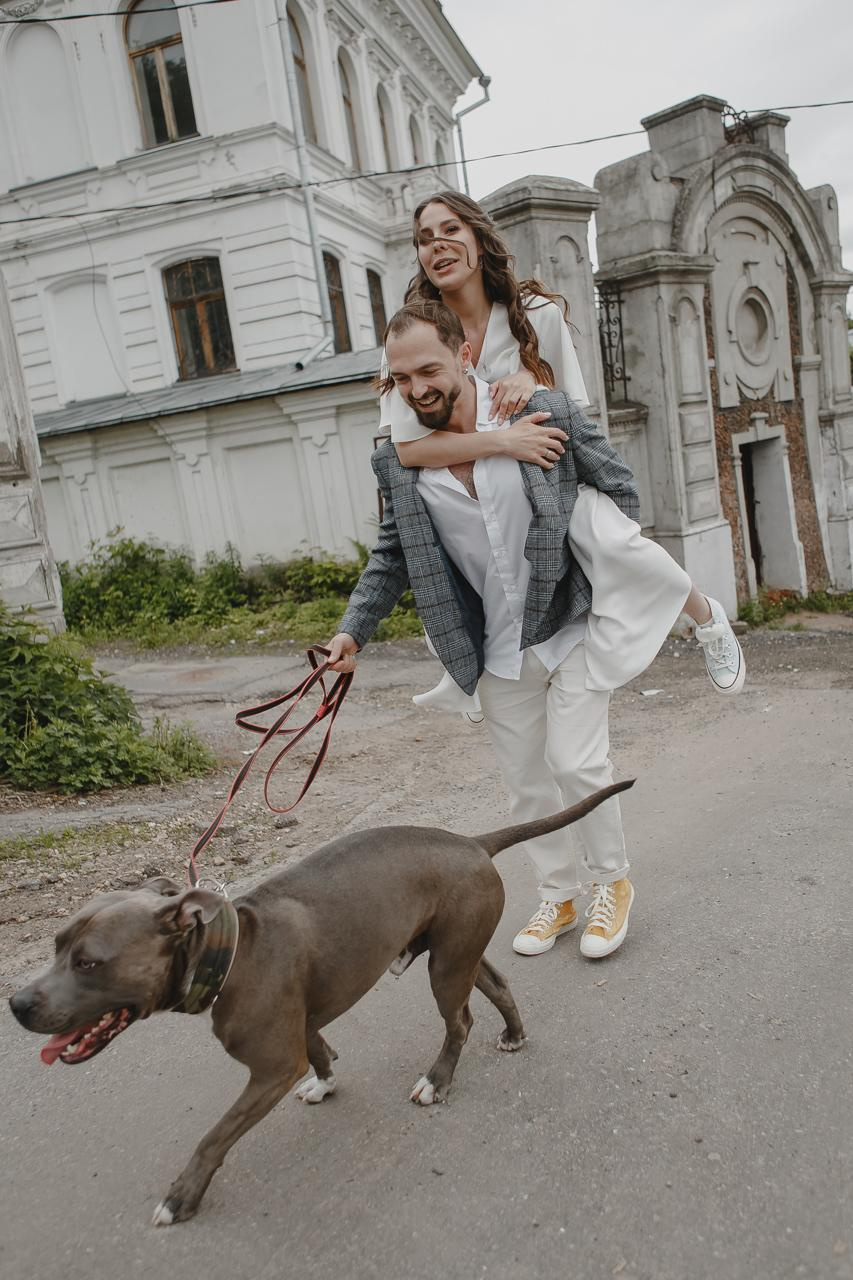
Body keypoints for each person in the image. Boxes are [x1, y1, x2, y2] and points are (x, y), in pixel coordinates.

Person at [329, 299, 648, 961]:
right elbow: (392, 554)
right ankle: (558, 895)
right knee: (527, 783)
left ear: (464, 355)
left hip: (569, 623)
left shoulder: (536, 411)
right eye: (401, 378)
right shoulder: (399, 462)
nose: (417, 388)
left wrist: (610, 567)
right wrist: (352, 632)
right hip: (495, 646)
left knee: (576, 762)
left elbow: (617, 486)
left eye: (428, 370)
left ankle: (611, 884)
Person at [378, 192, 743, 718]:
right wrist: (503, 441)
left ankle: (706, 616)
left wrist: (533, 377)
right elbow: (408, 449)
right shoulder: (411, 336)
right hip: (473, 489)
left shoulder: (536, 315)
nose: (437, 245)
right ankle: (477, 676)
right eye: (424, 239)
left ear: (479, 237)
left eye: (450, 230)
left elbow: (571, 414)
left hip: (547, 475)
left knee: (612, 536)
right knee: (460, 572)